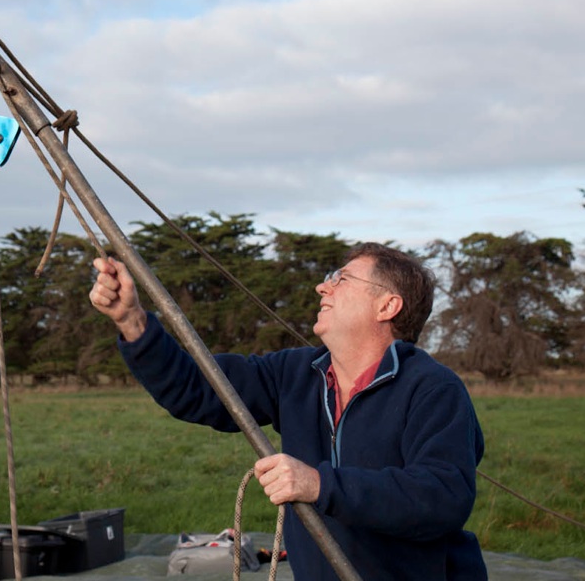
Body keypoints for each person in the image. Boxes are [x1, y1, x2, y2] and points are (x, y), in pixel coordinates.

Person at [89, 242, 487, 580]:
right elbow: (198, 389)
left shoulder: (434, 389)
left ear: (387, 305)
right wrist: (133, 321)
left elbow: (442, 496)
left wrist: (319, 484)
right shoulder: (295, 373)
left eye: (341, 279)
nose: (322, 287)